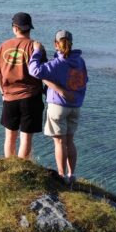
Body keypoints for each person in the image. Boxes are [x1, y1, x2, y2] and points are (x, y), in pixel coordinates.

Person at [29, 30, 88, 185]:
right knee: (70, 141)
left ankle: (62, 176)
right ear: (71, 43)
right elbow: (84, 80)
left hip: (58, 106)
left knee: (60, 143)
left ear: (56, 44)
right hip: (75, 106)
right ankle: (72, 175)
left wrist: (36, 51)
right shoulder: (80, 61)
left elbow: (34, 70)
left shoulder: (57, 63)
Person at [0, 12, 43, 159]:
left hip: (9, 97)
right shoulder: (35, 46)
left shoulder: (4, 46)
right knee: (26, 138)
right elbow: (43, 72)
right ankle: (20, 168)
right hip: (31, 97)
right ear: (29, 28)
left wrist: (3, 92)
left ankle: (10, 168)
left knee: (9, 136)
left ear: (14, 28)